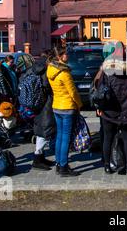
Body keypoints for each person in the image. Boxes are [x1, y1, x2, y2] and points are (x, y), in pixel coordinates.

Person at [99, 41, 127, 176]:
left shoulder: (107, 71)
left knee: (108, 138)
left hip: (109, 110)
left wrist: (100, 107)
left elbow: (101, 91)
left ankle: (107, 166)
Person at [47, 47, 83, 177]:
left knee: (60, 136)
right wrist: (79, 104)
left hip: (57, 105)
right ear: (60, 57)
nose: (67, 56)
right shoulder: (64, 73)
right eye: (65, 54)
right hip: (67, 107)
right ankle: (63, 166)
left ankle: (58, 163)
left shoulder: (50, 70)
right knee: (66, 138)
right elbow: (73, 91)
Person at [21, 52, 56, 171]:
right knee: (44, 131)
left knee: (40, 130)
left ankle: (40, 157)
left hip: (35, 103)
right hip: (45, 104)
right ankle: (37, 159)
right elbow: (47, 85)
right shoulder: (46, 70)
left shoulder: (34, 68)